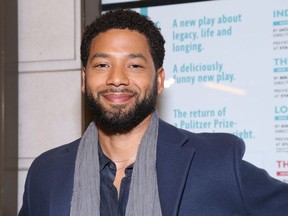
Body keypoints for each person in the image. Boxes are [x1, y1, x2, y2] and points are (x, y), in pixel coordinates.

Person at [19, 9, 288, 216]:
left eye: (134, 66)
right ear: (84, 78)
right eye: (102, 65)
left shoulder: (215, 162)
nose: (117, 79)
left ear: (159, 80)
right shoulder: (47, 172)